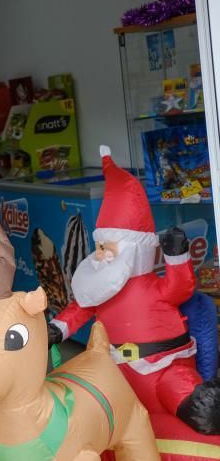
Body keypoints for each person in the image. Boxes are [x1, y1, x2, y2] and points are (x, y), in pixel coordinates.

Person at [48, 146, 220, 435]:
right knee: (96, 398)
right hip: (115, 372)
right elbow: (80, 309)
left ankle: (200, 408)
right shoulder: (101, 289)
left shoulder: (153, 286)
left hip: (164, 368)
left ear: (134, 249)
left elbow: (180, 290)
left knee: (179, 387)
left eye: (108, 247)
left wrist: (177, 257)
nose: (100, 254)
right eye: (99, 246)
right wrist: (56, 329)